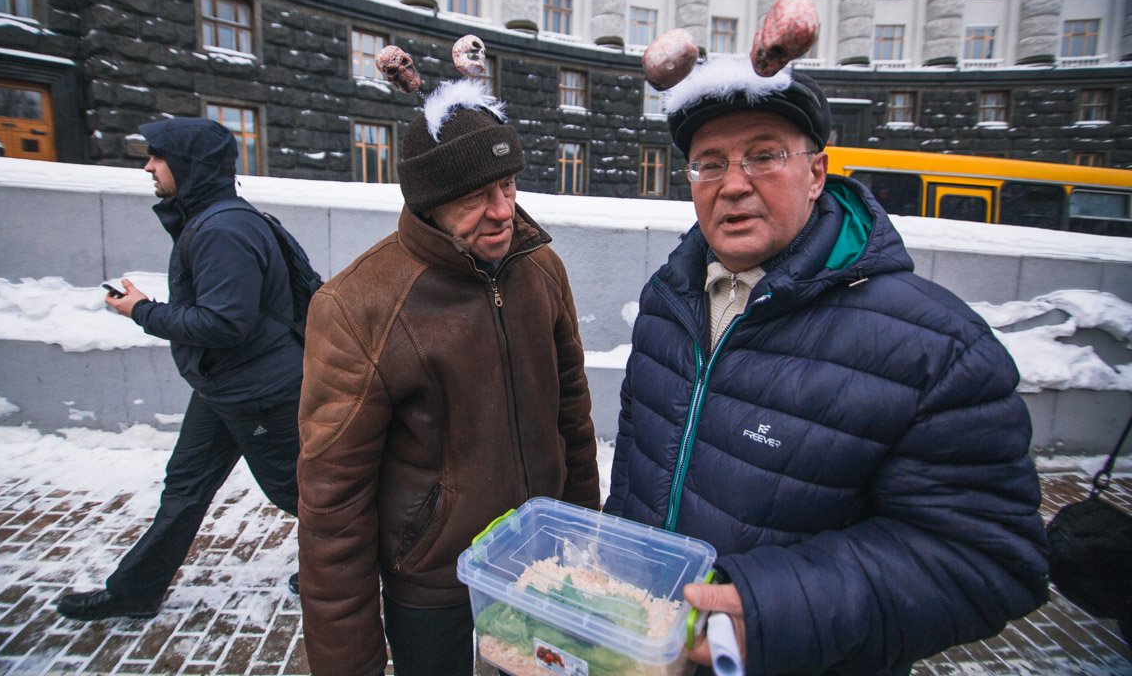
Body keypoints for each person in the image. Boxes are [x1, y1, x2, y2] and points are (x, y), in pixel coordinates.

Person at [604, 56, 1049, 675]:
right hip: (648, 652)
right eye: (709, 163)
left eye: (764, 155)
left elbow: (990, 562)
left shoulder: (936, 347)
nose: (732, 184)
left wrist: (777, 611)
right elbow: (635, 468)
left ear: (816, 174)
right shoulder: (666, 301)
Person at [296, 79, 600, 676]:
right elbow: (333, 504)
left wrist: (582, 541)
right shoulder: (358, 306)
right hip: (436, 583)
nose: (504, 210)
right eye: (475, 196)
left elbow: (572, 415)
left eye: (509, 185)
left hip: (543, 564)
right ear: (428, 202)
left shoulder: (540, 267)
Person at [57, 117, 304, 620]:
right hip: (224, 386)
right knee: (185, 487)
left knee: (301, 493)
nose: (149, 166)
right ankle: (136, 590)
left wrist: (142, 311)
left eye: (158, 156)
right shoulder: (215, 219)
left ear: (188, 165)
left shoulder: (222, 230)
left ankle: (369, 564)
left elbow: (225, 323)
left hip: (259, 391)